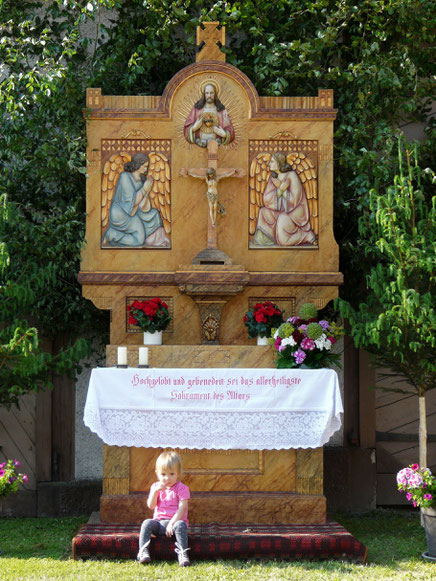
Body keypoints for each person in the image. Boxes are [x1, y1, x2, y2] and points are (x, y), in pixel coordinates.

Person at [103, 153, 169, 247]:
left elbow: (144, 207)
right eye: (145, 166)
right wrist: (144, 189)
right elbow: (130, 203)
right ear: (138, 164)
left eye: (147, 166)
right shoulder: (125, 177)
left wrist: (146, 192)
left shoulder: (141, 180)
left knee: (154, 213)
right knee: (138, 240)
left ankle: (156, 241)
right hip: (121, 213)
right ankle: (111, 234)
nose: (146, 169)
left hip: (133, 212)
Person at [137, 450, 191, 567]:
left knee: (181, 525)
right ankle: (143, 551)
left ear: (178, 473)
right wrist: (155, 492)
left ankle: (182, 553)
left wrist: (172, 523)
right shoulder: (155, 487)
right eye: (163, 474)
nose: (167, 478)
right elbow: (151, 505)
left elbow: (182, 509)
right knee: (146, 523)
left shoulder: (182, 488)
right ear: (157, 473)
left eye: (172, 474)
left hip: (175, 523)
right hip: (159, 524)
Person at [253, 152, 316, 246]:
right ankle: (270, 239)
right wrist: (280, 190)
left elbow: (295, 199)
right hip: (279, 210)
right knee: (263, 212)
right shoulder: (273, 178)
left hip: (294, 212)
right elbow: (266, 199)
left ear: (279, 163)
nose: (269, 163)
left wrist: (283, 191)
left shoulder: (291, 175)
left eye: (272, 161)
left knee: (283, 241)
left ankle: (305, 235)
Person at [184, 82, 234, 147]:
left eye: (211, 93)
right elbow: (186, 130)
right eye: (207, 93)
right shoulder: (196, 110)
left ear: (215, 94)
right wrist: (194, 128)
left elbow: (230, 131)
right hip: (199, 147)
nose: (209, 95)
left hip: (216, 148)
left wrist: (224, 135)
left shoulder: (221, 110)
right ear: (204, 94)